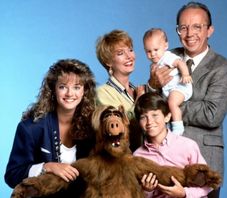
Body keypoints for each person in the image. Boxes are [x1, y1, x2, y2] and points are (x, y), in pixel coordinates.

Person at [147, 2, 227, 197]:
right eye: (183, 27)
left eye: (197, 26)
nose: (189, 34)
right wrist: (153, 85)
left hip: (204, 164)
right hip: (164, 160)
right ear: (177, 31)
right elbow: (149, 108)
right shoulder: (164, 56)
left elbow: (211, 114)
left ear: (209, 30)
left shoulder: (224, 68)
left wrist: (169, 103)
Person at [5, 59, 96, 196]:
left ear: (85, 91)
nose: (70, 93)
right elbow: (12, 175)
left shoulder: (92, 127)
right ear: (53, 89)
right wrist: (47, 167)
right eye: (63, 87)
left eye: (77, 87)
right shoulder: (31, 128)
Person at [133, 92, 212, 198]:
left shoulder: (188, 145)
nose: (149, 122)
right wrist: (147, 190)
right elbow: (135, 193)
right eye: (143, 117)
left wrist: (184, 194)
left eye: (155, 115)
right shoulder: (138, 156)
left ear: (167, 117)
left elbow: (209, 183)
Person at [96, 29, 144, 151]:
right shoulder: (102, 93)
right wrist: (139, 101)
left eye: (131, 50)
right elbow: (120, 128)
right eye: (120, 53)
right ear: (108, 62)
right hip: (121, 162)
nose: (129, 56)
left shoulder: (138, 89)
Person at [143, 28, 192, 135]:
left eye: (156, 50)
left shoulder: (167, 57)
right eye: (148, 51)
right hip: (169, 90)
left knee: (172, 103)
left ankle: (178, 127)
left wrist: (185, 74)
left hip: (180, 87)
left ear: (165, 46)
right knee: (164, 107)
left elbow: (180, 63)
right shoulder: (154, 65)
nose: (153, 54)